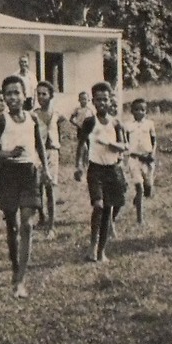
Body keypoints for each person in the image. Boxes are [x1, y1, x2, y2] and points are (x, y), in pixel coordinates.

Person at [0, 77, 47, 299]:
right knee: (12, 227)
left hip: (30, 174)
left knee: (27, 226)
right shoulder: (1, 120)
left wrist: (47, 172)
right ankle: (15, 266)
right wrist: (8, 154)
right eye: (8, 94)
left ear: (24, 95)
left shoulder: (32, 118)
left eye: (16, 93)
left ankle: (21, 280)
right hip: (8, 175)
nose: (12, 97)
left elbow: (40, 145)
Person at [73, 81, 128, 262]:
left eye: (105, 99)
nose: (102, 103)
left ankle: (101, 251)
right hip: (95, 170)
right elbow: (81, 145)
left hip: (112, 169)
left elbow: (124, 146)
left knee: (109, 209)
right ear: (93, 102)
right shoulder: (90, 122)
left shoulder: (116, 122)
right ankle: (92, 245)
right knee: (99, 206)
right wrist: (79, 166)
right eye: (98, 100)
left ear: (110, 100)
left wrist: (110, 144)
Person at [32, 80, 64, 236]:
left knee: (50, 188)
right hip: (37, 152)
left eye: (44, 94)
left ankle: (51, 226)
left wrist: (58, 143)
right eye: (38, 94)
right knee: (37, 187)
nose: (40, 97)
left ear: (51, 95)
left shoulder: (56, 113)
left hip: (52, 152)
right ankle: (41, 216)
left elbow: (60, 127)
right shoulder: (34, 114)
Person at [127, 97, 159, 225]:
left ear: (146, 111)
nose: (139, 112)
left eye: (142, 110)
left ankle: (139, 197)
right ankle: (140, 219)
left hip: (148, 159)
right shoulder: (128, 126)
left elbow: (154, 140)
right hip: (134, 159)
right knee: (139, 187)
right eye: (136, 110)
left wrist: (152, 153)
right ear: (132, 111)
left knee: (148, 189)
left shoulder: (149, 124)